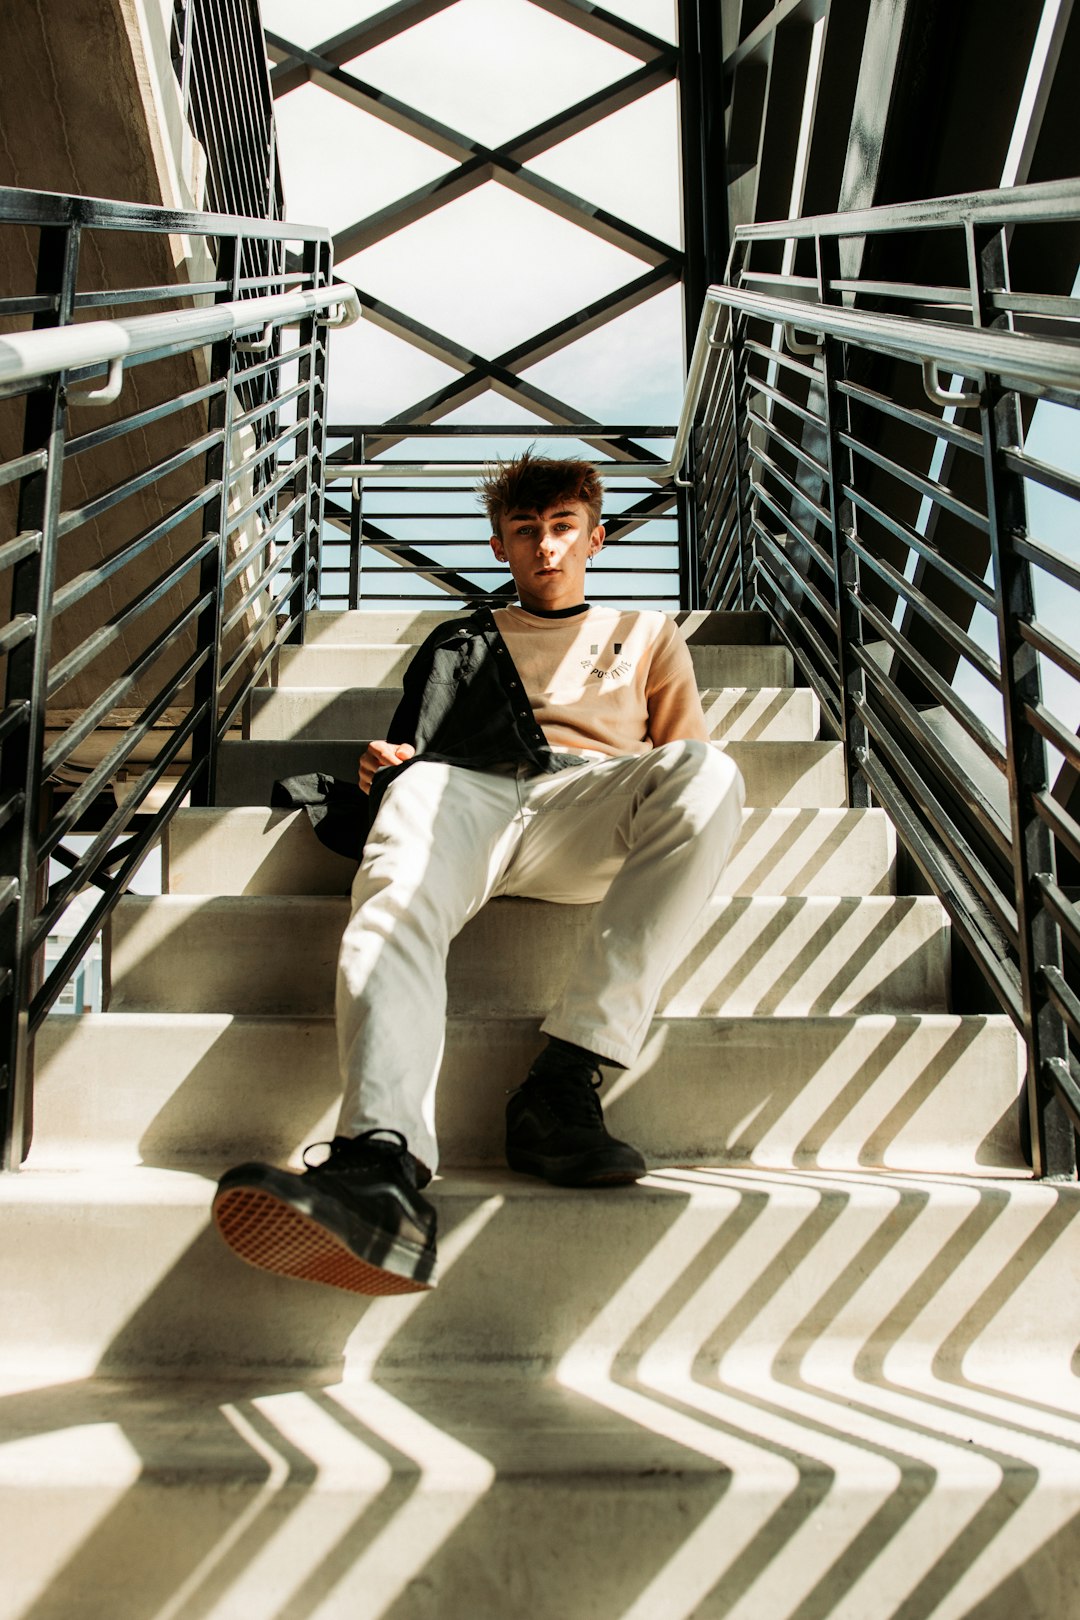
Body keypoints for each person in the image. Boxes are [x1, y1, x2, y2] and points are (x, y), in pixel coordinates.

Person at [212, 452, 745, 1297]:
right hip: (474, 796)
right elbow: (417, 750)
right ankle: (379, 1167)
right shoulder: (463, 638)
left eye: (563, 528)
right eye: (526, 532)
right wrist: (386, 764)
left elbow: (679, 765)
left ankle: (567, 1075)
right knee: (417, 790)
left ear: (595, 537)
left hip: (590, 810)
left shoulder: (646, 633)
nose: (546, 547)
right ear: (500, 546)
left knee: (710, 773)